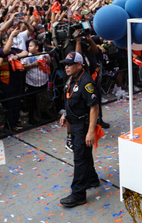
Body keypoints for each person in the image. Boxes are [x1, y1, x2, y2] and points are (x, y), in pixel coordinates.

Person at [58, 52, 100, 208]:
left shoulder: (86, 82)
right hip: (74, 124)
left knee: (80, 159)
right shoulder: (73, 78)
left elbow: (94, 108)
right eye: (66, 64)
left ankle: (78, 194)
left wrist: (90, 132)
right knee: (84, 155)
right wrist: (65, 114)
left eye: (69, 64)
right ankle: (92, 179)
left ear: (79, 65)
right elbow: (71, 99)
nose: (66, 67)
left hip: (83, 126)